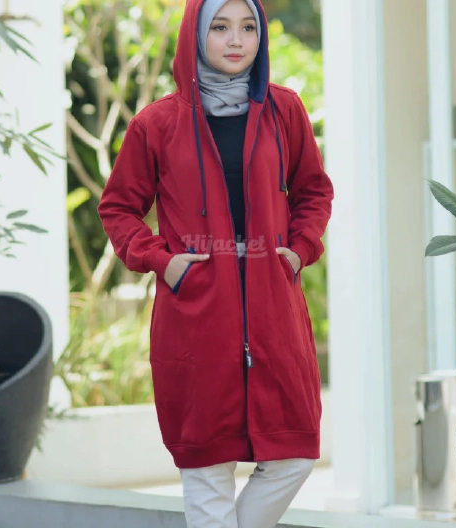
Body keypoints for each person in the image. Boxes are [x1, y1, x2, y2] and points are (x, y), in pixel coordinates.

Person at [98, 0, 334, 526]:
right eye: (220, 27)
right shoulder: (156, 124)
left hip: (275, 308)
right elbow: (118, 208)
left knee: (294, 455)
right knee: (207, 473)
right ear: (195, 34)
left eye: (248, 27)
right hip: (197, 317)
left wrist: (300, 249)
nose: (236, 40)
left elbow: (314, 191)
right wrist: (163, 261)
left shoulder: (284, 110)